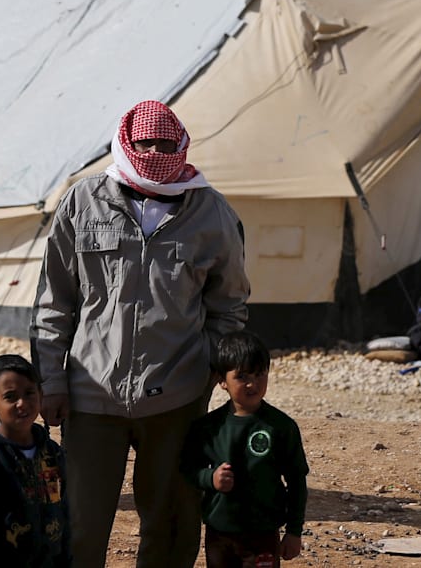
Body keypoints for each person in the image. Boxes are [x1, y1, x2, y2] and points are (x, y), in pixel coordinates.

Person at [31, 99, 250, 568]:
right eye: (145, 143)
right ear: (126, 142)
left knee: (171, 525)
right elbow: (54, 301)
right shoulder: (84, 202)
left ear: (182, 146)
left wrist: (206, 373)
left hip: (176, 398)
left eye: (166, 145)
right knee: (79, 527)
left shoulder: (211, 212)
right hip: (91, 395)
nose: (154, 153)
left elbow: (229, 306)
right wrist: (51, 380)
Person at [181, 332, 308, 567]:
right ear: (222, 381)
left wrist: (294, 531)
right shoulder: (208, 427)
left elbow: (297, 480)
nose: (253, 384)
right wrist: (211, 478)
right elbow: (188, 469)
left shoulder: (281, 427)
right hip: (220, 535)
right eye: (242, 376)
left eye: (259, 374)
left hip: (264, 535)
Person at [0, 354, 70, 568]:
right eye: (10, 397)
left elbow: (65, 515)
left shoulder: (52, 453)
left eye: (29, 393)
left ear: (40, 395)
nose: (22, 403)